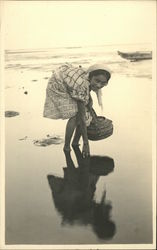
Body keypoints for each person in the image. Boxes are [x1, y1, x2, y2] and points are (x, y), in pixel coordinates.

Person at [43, 63, 111, 157]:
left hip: (71, 84)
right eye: (97, 81)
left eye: (103, 83)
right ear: (90, 77)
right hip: (59, 85)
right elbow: (82, 117)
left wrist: (89, 105)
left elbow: (87, 96)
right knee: (76, 115)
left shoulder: (89, 81)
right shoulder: (81, 85)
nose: (99, 85)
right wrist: (86, 143)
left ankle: (75, 142)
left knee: (85, 112)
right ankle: (66, 146)